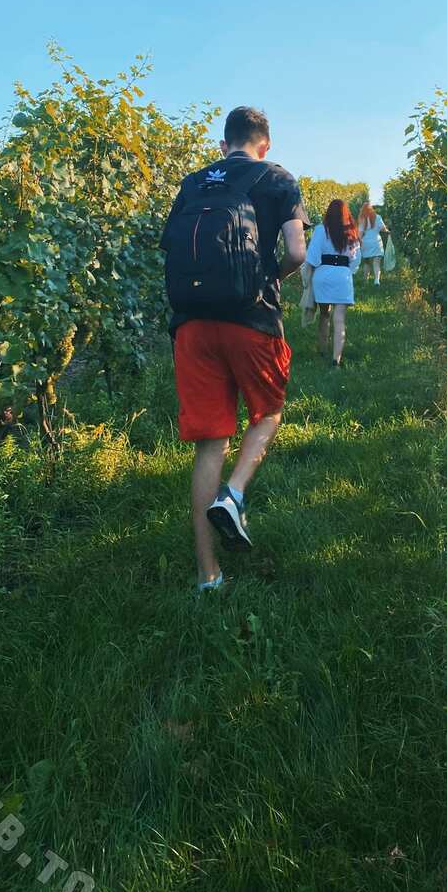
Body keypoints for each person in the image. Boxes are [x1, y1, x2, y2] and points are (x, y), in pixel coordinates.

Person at [160, 106, 309, 594]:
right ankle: (235, 493)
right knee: (267, 413)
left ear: (223, 145)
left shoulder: (193, 183)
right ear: (265, 145)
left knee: (210, 442)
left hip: (192, 325)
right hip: (251, 319)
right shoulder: (277, 178)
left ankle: (209, 574)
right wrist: (269, 278)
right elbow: (296, 252)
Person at [305, 200, 362, 367]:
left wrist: (309, 275)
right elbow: (355, 259)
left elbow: (313, 256)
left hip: (322, 276)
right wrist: (347, 271)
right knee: (339, 319)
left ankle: (323, 349)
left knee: (324, 314)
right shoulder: (351, 232)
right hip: (342, 277)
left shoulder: (320, 230)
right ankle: (335, 360)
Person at [357, 202, 390, 285]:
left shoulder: (362, 219)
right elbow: (383, 229)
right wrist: (387, 231)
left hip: (366, 243)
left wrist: (358, 242)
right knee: (376, 262)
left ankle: (365, 281)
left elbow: (360, 234)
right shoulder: (377, 217)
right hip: (376, 242)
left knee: (366, 262)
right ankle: (376, 280)